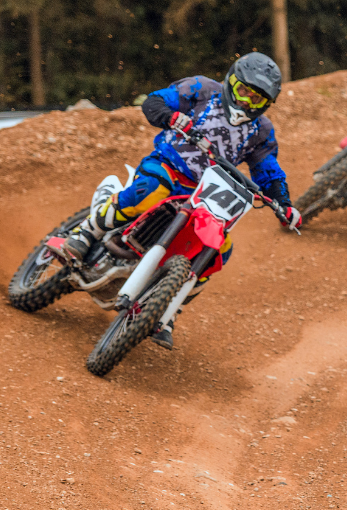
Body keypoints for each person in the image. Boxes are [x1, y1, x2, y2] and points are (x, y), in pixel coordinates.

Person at [58, 52, 299, 349]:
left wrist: (284, 203)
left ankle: (168, 307)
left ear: (266, 104)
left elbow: (268, 169)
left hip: (206, 193)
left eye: (257, 100)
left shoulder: (260, 130)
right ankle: (87, 233)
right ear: (231, 83)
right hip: (168, 167)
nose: (248, 103)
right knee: (151, 192)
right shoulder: (201, 90)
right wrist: (171, 117)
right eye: (244, 93)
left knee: (219, 249)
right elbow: (154, 101)